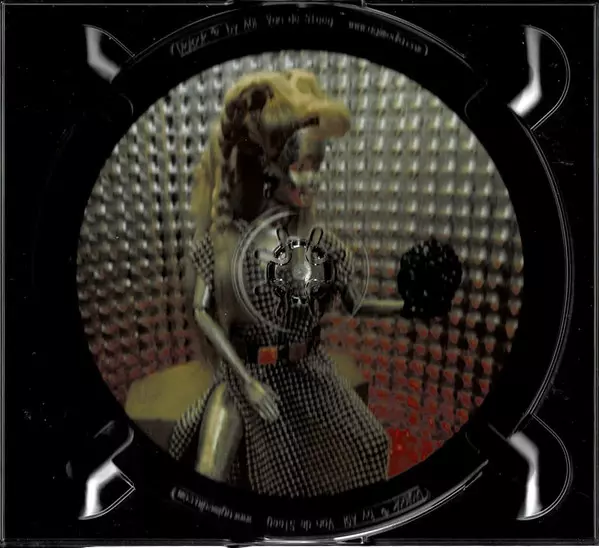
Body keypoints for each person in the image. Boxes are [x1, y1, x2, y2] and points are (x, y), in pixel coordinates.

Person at [168, 70, 404, 498]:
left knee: (370, 444)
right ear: (269, 169)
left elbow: (355, 303)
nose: (310, 180)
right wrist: (247, 381)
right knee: (220, 472)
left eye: (316, 168)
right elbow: (202, 311)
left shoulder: (319, 244)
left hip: (309, 372)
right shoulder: (224, 244)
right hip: (248, 374)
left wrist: (408, 306)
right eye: (299, 167)